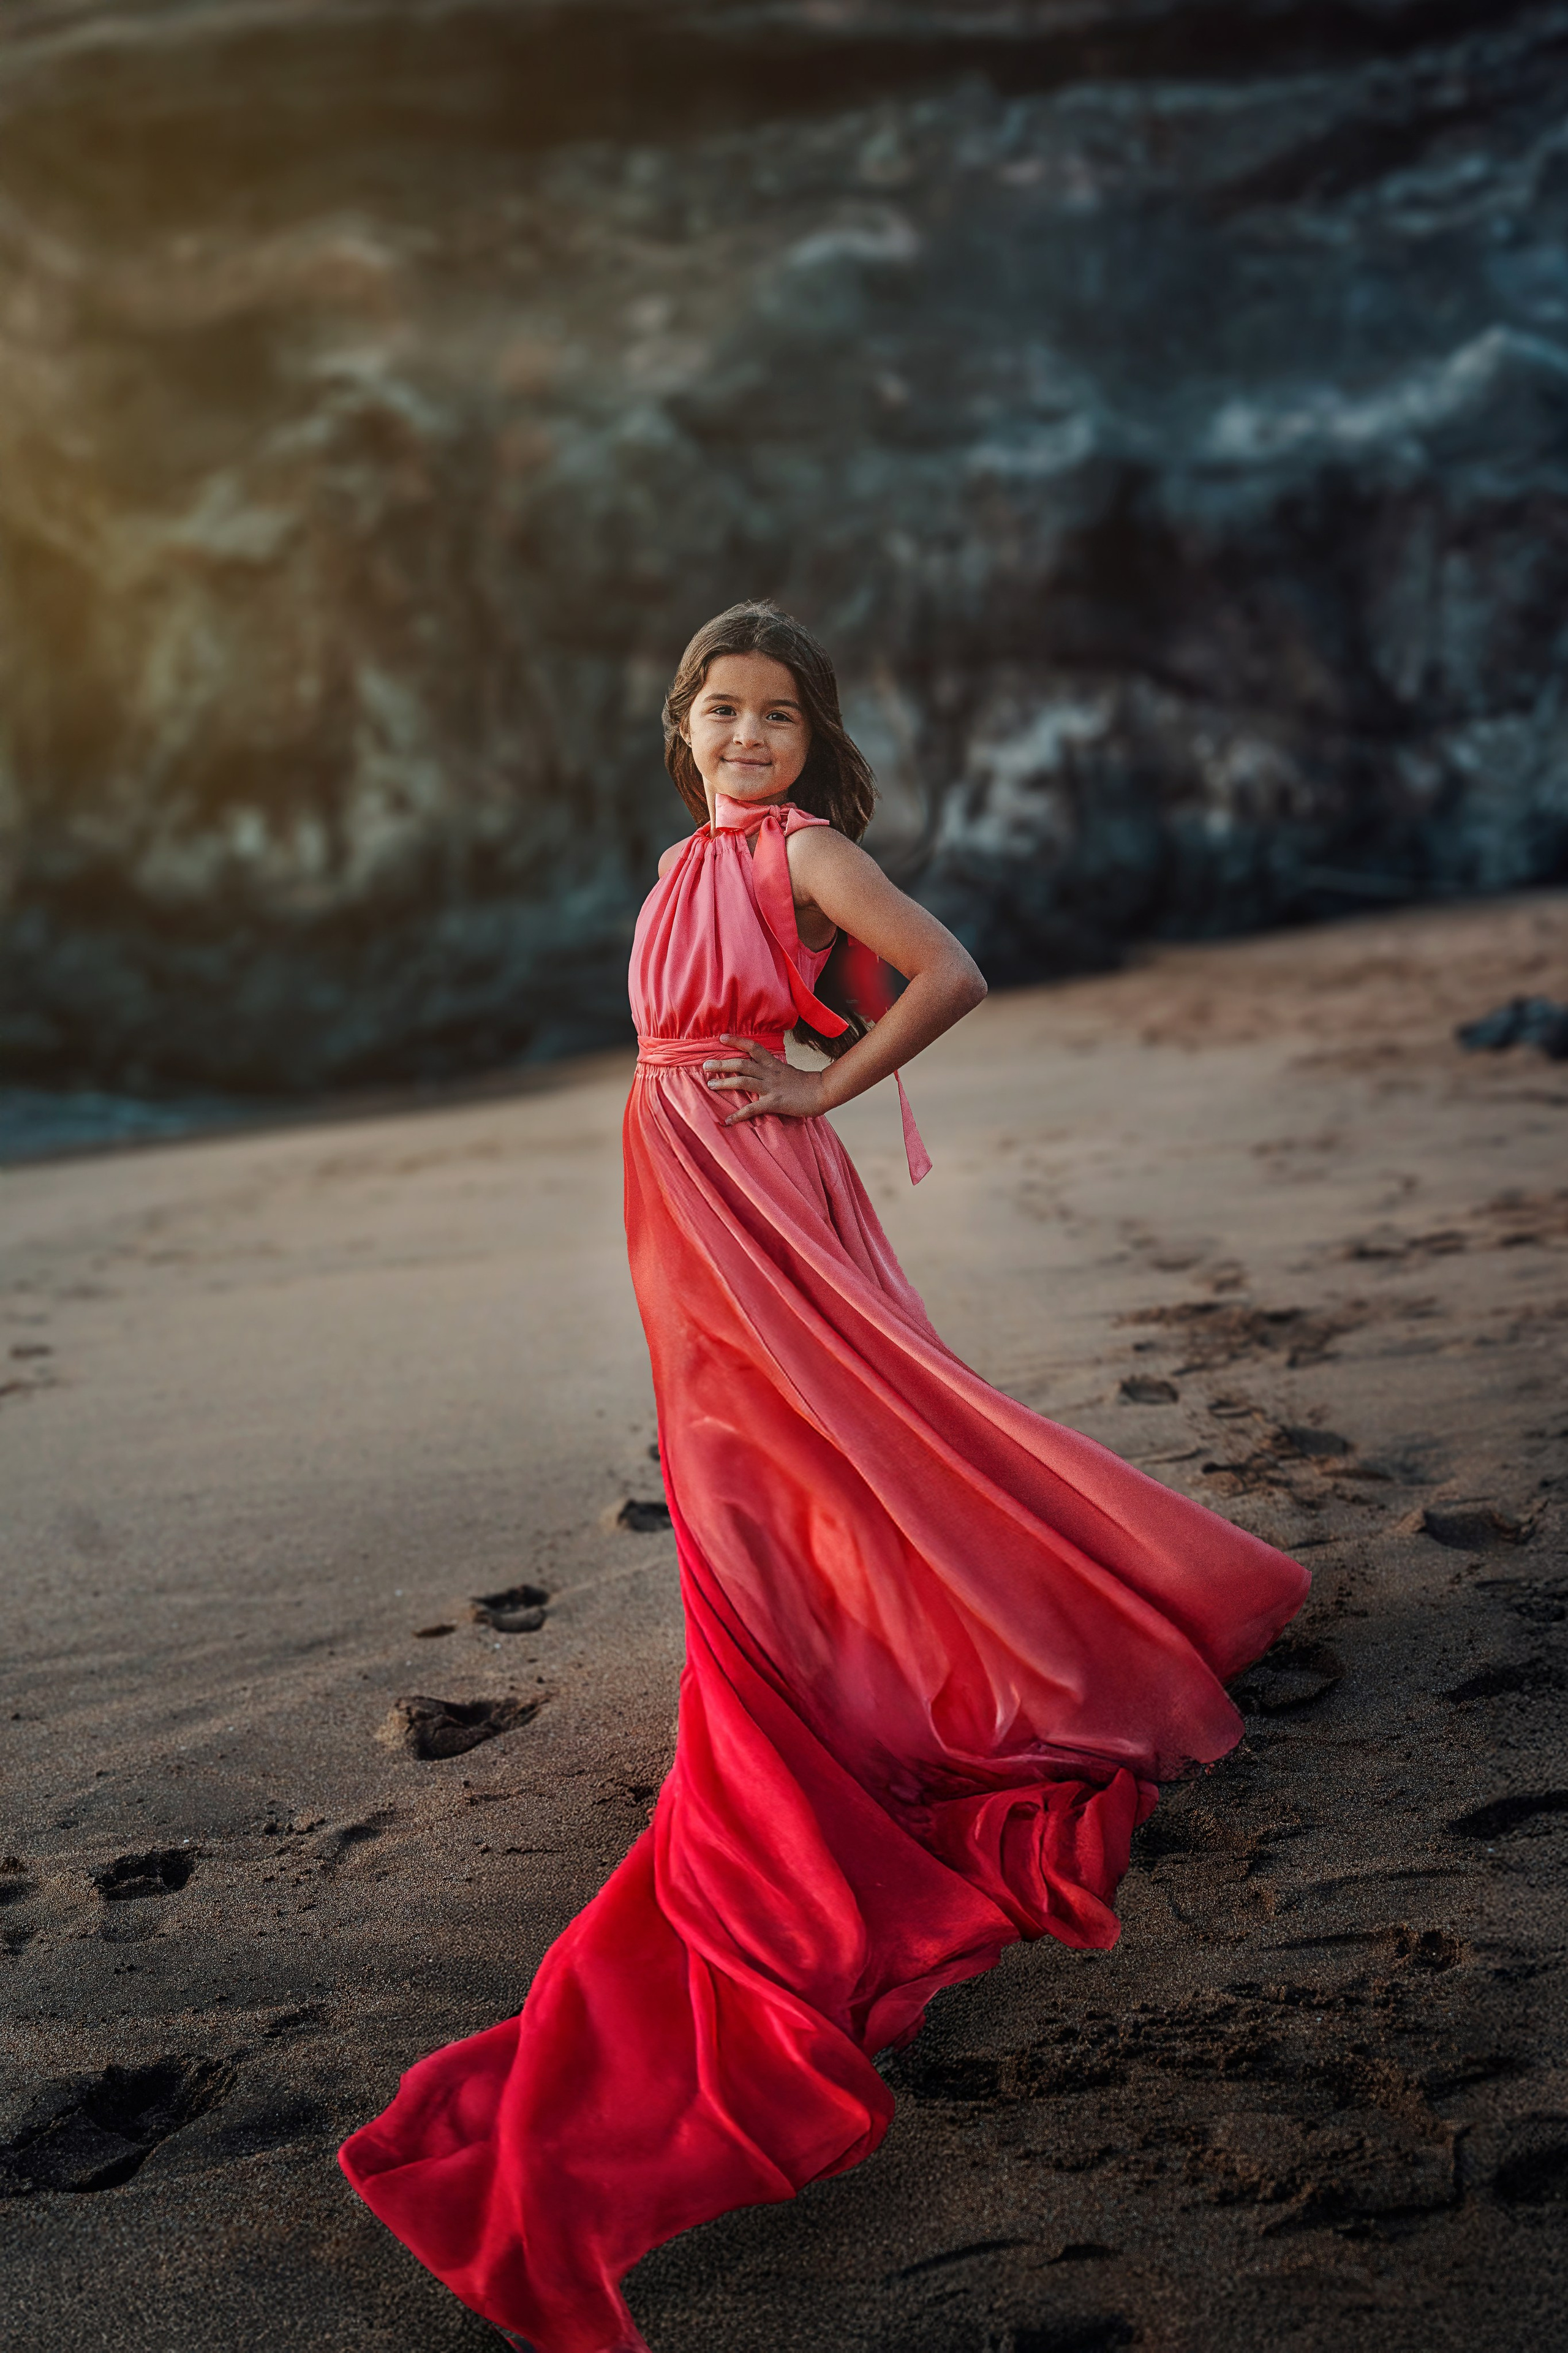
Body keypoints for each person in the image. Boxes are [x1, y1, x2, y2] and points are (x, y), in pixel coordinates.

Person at [340, 602, 1309, 2353]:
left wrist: (821, 1088)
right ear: (680, 721)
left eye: (778, 716)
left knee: (848, 1435)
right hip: (676, 1184)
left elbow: (951, 973)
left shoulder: (806, 852)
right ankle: (829, 1645)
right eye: (723, 711)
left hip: (759, 1179)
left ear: (810, 737)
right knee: (745, 1463)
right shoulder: (674, 852)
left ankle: (908, 1663)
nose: (747, 738)